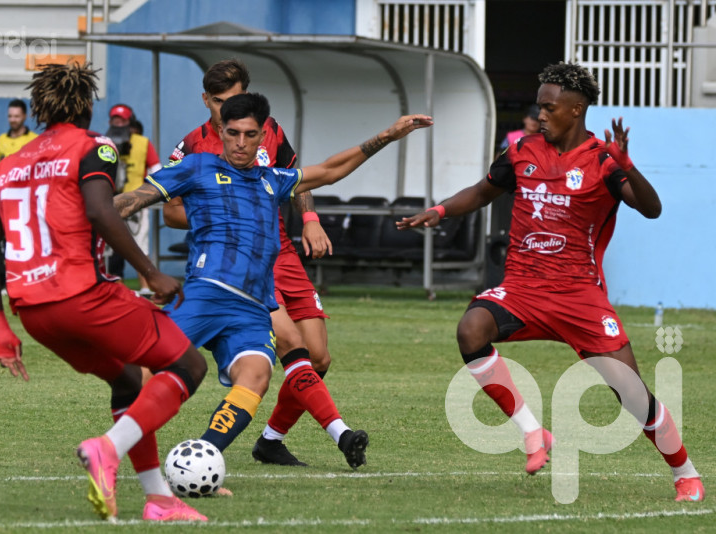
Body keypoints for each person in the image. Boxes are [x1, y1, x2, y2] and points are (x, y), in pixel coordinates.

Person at [397, 62, 704, 502]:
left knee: (632, 394)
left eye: (548, 107)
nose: (539, 115)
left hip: (579, 295)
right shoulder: (522, 150)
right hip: (522, 287)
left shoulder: (602, 161)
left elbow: (651, 208)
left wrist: (628, 167)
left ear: (575, 110)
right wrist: (441, 211)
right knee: (471, 329)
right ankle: (534, 431)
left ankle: (686, 474)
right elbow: (484, 191)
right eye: (539, 107)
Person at [115, 93, 431, 486]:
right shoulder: (197, 168)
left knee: (257, 374)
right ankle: (112, 448)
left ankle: (203, 456)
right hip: (207, 294)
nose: (241, 143)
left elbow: (331, 170)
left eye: (250, 135)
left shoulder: (273, 180)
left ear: (264, 136)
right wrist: (92, 219)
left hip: (252, 308)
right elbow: (130, 202)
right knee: (146, 370)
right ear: (222, 132)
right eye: (232, 134)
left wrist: (387, 135)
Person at [0, 62, 209, 522]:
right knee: (187, 365)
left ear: (38, 107)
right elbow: (101, 212)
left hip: (34, 312)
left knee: (125, 380)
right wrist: (151, 273)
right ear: (86, 104)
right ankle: (107, 449)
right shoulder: (92, 146)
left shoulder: (9, 163)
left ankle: (159, 500)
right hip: (83, 296)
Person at [165, 58, 353, 468]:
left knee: (319, 357)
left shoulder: (267, 132)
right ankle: (339, 432)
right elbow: (170, 211)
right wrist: (218, 212)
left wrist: (310, 218)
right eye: (217, 102)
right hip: (236, 265)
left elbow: (299, 177)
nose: (225, 111)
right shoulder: (194, 146)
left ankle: (270, 439)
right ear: (206, 100)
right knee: (289, 343)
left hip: (282, 251)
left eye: (234, 100)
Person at [105, 103, 162, 295]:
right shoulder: (104, 143)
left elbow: (157, 171)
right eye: (115, 119)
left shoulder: (143, 143)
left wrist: (150, 194)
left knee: (140, 245)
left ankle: (145, 287)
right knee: (110, 248)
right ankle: (114, 287)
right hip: (110, 202)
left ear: (130, 122)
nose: (118, 123)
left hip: (137, 202)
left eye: (122, 119)